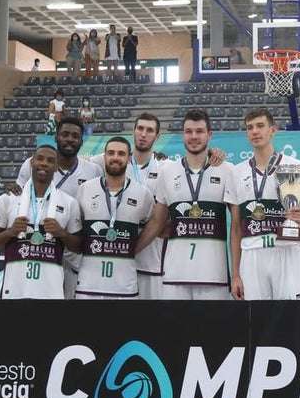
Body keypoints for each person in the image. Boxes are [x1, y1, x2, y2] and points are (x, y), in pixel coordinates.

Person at [141, 109, 236, 300]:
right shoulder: (167, 171)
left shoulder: (228, 171)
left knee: (212, 330)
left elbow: (237, 226)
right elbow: (157, 223)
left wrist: (237, 273)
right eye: (189, 131)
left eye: (199, 131)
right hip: (175, 273)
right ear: (182, 134)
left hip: (214, 275)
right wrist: (130, 250)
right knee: (175, 331)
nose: (194, 136)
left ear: (210, 135)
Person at [227, 108, 300, 300]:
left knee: (291, 319)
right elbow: (235, 228)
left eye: (260, 126)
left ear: (273, 131)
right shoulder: (236, 172)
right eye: (250, 128)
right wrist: (235, 274)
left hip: (287, 250)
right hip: (252, 253)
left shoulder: (296, 166)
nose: (255, 132)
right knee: (255, 321)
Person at [12, 117, 99, 296]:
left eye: (75, 136)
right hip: (39, 247)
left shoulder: (93, 170)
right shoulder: (33, 165)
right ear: (56, 137)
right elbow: (18, 198)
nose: (70, 139)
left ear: (82, 141)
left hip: (73, 251)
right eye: (65, 134)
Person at [88, 114, 169, 299]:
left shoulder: (166, 167)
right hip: (117, 255)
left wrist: (214, 154)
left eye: (149, 130)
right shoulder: (113, 160)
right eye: (140, 128)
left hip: (152, 260)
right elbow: (78, 162)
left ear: (157, 137)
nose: (143, 134)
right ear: (133, 131)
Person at [0, 144, 81, 299]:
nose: (44, 163)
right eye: (40, 158)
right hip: (14, 291)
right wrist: (10, 232)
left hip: (51, 292)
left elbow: (78, 247)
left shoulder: (69, 203)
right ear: (31, 162)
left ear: (56, 167)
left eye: (50, 160)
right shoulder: (8, 199)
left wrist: (61, 233)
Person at [74, 136, 156, 298]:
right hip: (88, 283)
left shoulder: (143, 194)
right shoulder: (85, 189)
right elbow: (77, 227)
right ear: (105, 157)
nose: (115, 158)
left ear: (129, 158)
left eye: (121, 154)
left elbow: (152, 223)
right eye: (111, 153)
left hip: (125, 285)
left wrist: (135, 247)